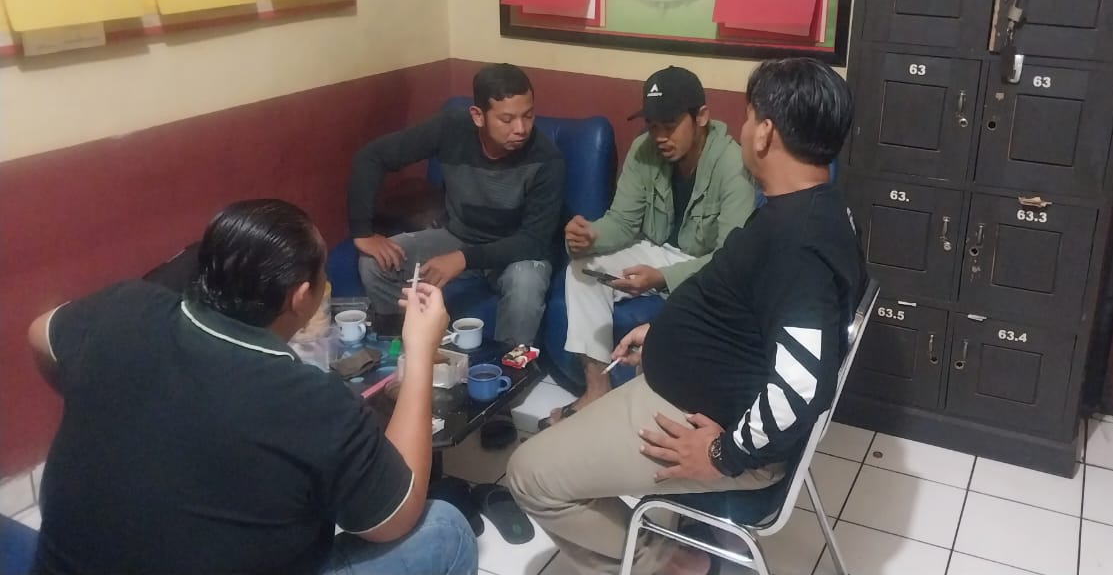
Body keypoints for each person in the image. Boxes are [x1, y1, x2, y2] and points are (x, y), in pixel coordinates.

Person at [506, 59, 869, 575]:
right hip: (685, 386)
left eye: (749, 117)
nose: (743, 128)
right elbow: (749, 306)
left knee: (528, 475)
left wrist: (724, 454)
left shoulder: (800, 244)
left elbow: (802, 384)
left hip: (702, 419)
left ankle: (664, 563)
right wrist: (662, 332)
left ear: (765, 132)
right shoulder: (810, 207)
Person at [27, 200, 476, 575]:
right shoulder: (308, 399)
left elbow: (39, 332)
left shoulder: (122, 307)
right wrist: (419, 351)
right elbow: (397, 514)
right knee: (446, 530)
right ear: (300, 296)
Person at [549, 66, 755, 426]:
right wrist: (590, 236)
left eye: (670, 125)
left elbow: (730, 259)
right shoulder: (644, 150)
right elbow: (622, 221)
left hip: (705, 264)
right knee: (582, 269)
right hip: (654, 248)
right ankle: (597, 388)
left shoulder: (733, 165)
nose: (659, 136)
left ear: (701, 117)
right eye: (653, 125)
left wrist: (661, 277)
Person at [349, 63, 565, 345]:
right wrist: (362, 231)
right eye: (507, 119)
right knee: (375, 263)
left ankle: (508, 364)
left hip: (515, 252)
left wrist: (463, 259)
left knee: (526, 284)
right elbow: (372, 156)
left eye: (528, 115)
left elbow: (533, 242)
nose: (521, 129)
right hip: (459, 236)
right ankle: (409, 347)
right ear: (478, 116)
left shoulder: (546, 159)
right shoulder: (451, 128)